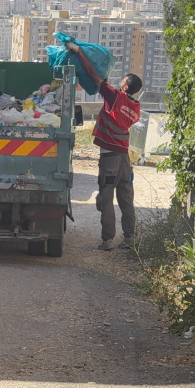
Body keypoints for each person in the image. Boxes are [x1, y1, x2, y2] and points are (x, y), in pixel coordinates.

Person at [65, 41, 142, 251]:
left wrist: (79, 51)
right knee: (126, 198)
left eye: (122, 82)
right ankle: (130, 238)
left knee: (106, 198)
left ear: (125, 87)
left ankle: (107, 240)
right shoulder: (135, 107)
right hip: (125, 159)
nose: (119, 84)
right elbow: (111, 94)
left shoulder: (114, 96)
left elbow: (92, 74)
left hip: (109, 158)